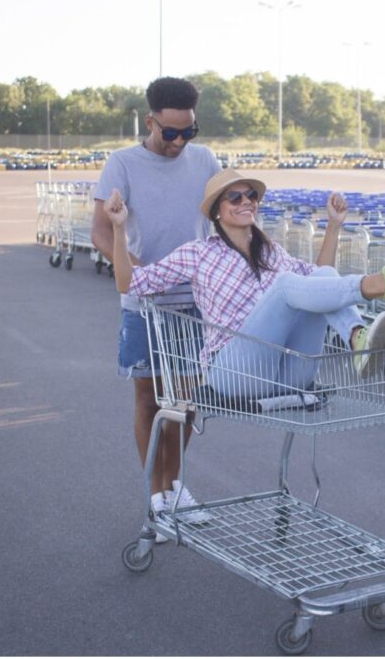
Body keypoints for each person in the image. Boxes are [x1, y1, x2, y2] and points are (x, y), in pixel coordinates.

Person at [103, 168, 385, 409]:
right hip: (232, 372)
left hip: (285, 372)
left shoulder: (271, 252)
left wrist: (333, 225)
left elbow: (320, 279)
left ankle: (357, 337)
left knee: (321, 276)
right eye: (235, 197)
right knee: (289, 286)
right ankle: (381, 284)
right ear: (217, 210)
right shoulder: (199, 253)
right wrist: (118, 229)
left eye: (251, 196)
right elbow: (131, 282)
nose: (246, 202)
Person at [91, 77, 220, 539]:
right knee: (149, 399)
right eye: (170, 133)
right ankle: (156, 496)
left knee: (184, 402)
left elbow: (226, 218)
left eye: (189, 131)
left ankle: (175, 486)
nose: (180, 142)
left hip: (193, 302)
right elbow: (101, 234)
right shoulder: (121, 164)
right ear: (150, 122)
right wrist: (144, 271)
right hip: (144, 302)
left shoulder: (204, 160)